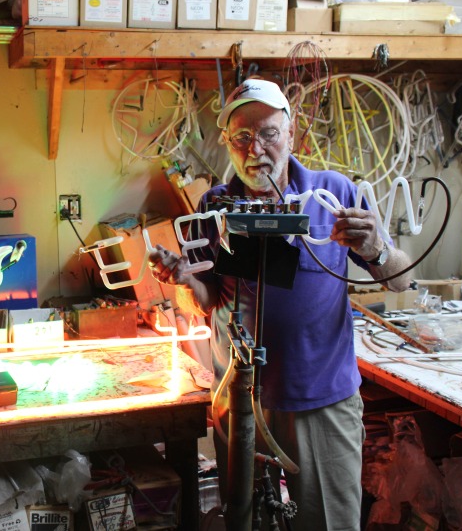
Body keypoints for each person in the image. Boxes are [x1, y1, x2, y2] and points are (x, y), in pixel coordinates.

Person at [148, 78, 413, 530]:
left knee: (327, 521)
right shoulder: (216, 205)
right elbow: (211, 301)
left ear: (291, 133)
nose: (257, 149)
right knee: (245, 521)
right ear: (228, 143)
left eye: (269, 133)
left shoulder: (332, 195)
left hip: (320, 401)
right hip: (241, 398)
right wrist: (185, 280)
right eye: (243, 138)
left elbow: (403, 280)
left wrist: (377, 250)